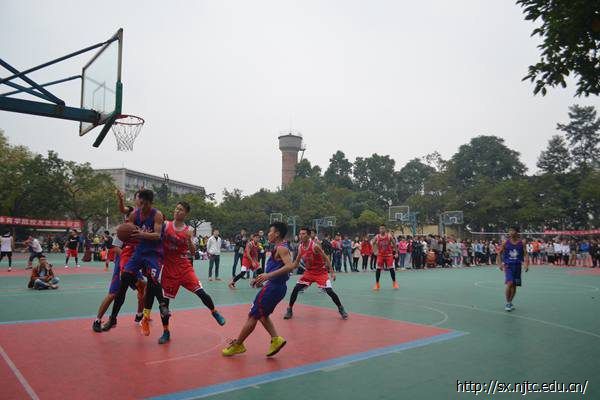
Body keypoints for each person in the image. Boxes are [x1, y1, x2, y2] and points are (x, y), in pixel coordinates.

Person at [222, 222, 294, 357]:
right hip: (276, 287)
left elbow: (290, 266)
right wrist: (260, 278)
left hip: (273, 288)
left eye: (270, 231)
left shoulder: (281, 248)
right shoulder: (279, 247)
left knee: (253, 315)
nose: (268, 234)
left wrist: (268, 276)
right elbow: (277, 268)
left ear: (277, 234)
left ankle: (238, 345)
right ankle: (276, 339)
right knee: (262, 315)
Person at [156, 201, 225, 344]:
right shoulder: (166, 225)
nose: (177, 211)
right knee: (165, 303)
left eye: (181, 209)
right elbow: (156, 238)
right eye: (176, 208)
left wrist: (188, 240)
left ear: (186, 213)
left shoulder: (189, 230)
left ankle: (214, 312)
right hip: (169, 268)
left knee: (201, 292)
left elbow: (193, 252)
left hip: (184, 267)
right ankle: (166, 331)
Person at [103, 189, 164, 334]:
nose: (141, 206)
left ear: (150, 203)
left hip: (153, 253)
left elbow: (157, 235)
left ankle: (160, 306)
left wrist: (141, 234)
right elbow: (127, 230)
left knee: (153, 281)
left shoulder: (157, 214)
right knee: (124, 279)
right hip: (139, 252)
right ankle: (113, 318)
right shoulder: (134, 214)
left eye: (144, 204)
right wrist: (125, 234)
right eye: (140, 203)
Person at [92, 192, 147, 332]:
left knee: (143, 289)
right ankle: (97, 320)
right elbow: (116, 248)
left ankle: (139, 315)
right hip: (122, 263)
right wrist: (121, 199)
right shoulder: (125, 229)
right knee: (113, 293)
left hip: (134, 263)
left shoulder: (143, 224)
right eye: (138, 198)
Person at [283, 228, 348, 320]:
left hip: (320, 272)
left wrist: (332, 272)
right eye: (300, 234)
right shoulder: (300, 247)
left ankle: (341, 308)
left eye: (303, 234)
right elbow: (296, 262)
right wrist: (288, 269)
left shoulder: (315, 246)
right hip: (309, 272)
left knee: (329, 291)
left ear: (308, 235)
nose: (301, 236)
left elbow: (326, 258)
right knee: (296, 288)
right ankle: (289, 309)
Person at [498, 227, 529, 312]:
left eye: (512, 230)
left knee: (514, 285)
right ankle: (508, 303)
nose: (510, 232)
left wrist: (526, 264)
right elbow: (499, 253)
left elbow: (526, 254)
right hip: (508, 266)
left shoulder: (522, 243)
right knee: (510, 283)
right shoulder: (505, 242)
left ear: (517, 232)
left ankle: (510, 302)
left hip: (518, 266)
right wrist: (500, 264)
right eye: (509, 231)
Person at [372, 225, 399, 290]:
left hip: (389, 255)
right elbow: (373, 243)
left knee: (391, 268)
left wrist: (396, 252)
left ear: (385, 229)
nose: (382, 230)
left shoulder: (389, 236)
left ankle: (394, 283)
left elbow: (394, 244)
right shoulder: (377, 236)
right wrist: (375, 251)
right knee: (378, 269)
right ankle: (377, 284)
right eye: (381, 228)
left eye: (383, 228)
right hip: (380, 255)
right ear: (379, 230)